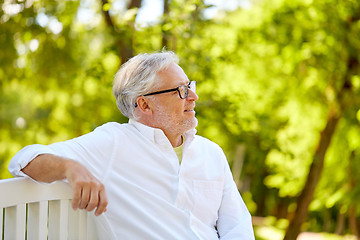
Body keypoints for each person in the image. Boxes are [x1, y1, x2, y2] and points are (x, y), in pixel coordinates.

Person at [9, 51, 255, 239]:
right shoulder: (112, 143)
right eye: (181, 90)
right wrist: (70, 169)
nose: (193, 96)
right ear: (145, 105)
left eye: (190, 86)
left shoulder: (211, 152)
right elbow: (25, 159)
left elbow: (236, 225)